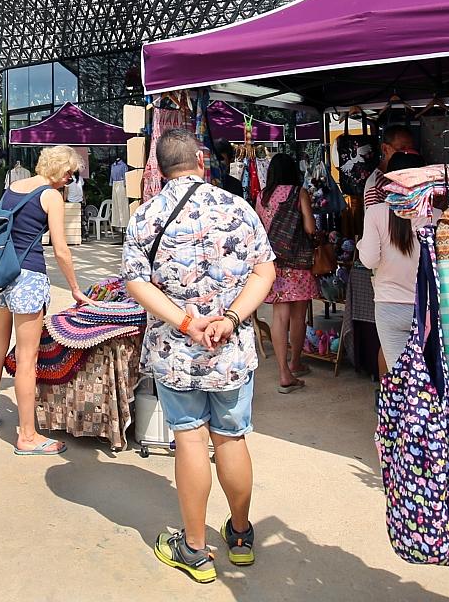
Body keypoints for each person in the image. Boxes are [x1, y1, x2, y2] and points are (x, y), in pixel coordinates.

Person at [123, 128, 276, 583]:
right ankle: (242, 536)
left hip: (177, 351)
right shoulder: (238, 208)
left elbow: (136, 281)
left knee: (189, 439)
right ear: (201, 162)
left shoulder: (146, 215)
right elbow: (264, 269)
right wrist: (229, 319)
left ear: (158, 168)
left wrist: (187, 323)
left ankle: (194, 549)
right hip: (230, 351)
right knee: (231, 438)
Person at [0, 144, 89, 453]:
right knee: (28, 360)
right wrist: (75, 287)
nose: (70, 179)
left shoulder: (12, 188)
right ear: (60, 170)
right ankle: (27, 436)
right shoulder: (50, 196)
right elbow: (61, 249)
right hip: (28, 279)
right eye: (70, 173)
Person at [358, 151, 429, 375]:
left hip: (389, 306)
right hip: (427, 306)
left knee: (399, 377)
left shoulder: (376, 213)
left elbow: (369, 260)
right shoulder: (435, 215)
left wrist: (360, 245)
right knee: (428, 375)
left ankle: (402, 411)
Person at [255, 152, 320, 391]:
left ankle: (283, 372)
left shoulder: (262, 196)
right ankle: (295, 363)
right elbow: (310, 228)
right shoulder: (298, 193)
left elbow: (259, 230)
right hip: (297, 263)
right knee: (298, 317)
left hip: (273, 264)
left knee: (279, 318)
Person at [364, 125, 417, 207]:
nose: (407, 155)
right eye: (401, 150)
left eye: (410, 150)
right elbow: (374, 217)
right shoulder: (375, 186)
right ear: (385, 149)